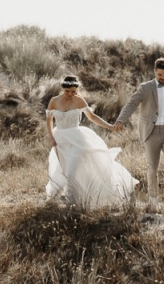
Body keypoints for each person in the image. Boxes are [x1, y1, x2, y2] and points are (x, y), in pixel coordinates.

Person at [46, 75, 138, 209]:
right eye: (68, 91)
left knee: (71, 172)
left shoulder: (79, 101)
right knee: (61, 171)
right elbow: (48, 121)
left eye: (74, 91)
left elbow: (92, 117)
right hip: (60, 140)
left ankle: (74, 205)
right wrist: (52, 138)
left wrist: (109, 126)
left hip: (77, 139)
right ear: (62, 89)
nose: (71, 94)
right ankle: (55, 203)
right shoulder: (54, 101)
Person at [115, 57, 164, 210]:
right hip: (151, 132)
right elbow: (132, 103)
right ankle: (153, 200)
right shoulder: (145, 88)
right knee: (153, 167)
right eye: (160, 75)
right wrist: (121, 120)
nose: (163, 78)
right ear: (154, 72)